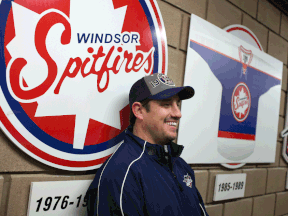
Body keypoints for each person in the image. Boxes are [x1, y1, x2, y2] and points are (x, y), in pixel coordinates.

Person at [85, 73, 208, 216]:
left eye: (178, 104)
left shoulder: (181, 166)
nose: (178, 113)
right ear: (139, 111)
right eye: (167, 104)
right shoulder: (120, 173)